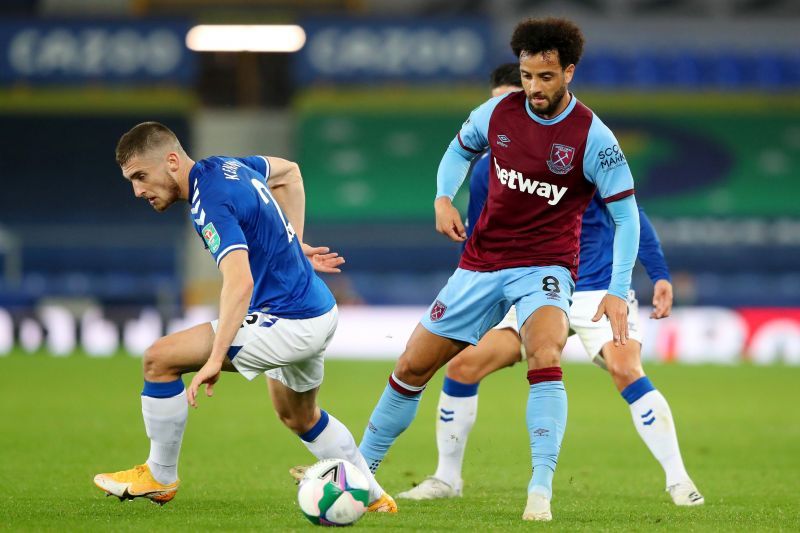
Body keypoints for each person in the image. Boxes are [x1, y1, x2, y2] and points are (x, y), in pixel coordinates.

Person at [356, 18, 641, 522]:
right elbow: (457, 149)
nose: (533, 88)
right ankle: (359, 476)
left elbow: (626, 215)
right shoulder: (497, 112)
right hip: (481, 262)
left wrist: (618, 289)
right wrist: (443, 197)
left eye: (546, 77)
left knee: (545, 351)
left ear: (568, 72)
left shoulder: (593, 137)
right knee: (411, 366)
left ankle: (540, 490)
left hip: (546, 266)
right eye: (528, 76)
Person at [396, 64, 704, 507]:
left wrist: (658, 274)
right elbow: (485, 236)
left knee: (625, 368)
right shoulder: (486, 172)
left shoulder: (578, 144)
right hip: (528, 286)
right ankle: (447, 478)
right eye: (503, 100)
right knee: (463, 367)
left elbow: (632, 215)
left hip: (592, 284)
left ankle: (679, 480)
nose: (514, 108)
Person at [93, 122, 396, 512]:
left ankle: (159, 475)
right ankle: (373, 498)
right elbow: (289, 172)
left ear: (171, 162)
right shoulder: (225, 166)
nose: (138, 191)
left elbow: (239, 284)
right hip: (316, 309)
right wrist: (291, 243)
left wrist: (215, 358)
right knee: (299, 415)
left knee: (159, 359)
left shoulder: (208, 203)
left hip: (288, 320)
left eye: (140, 177)